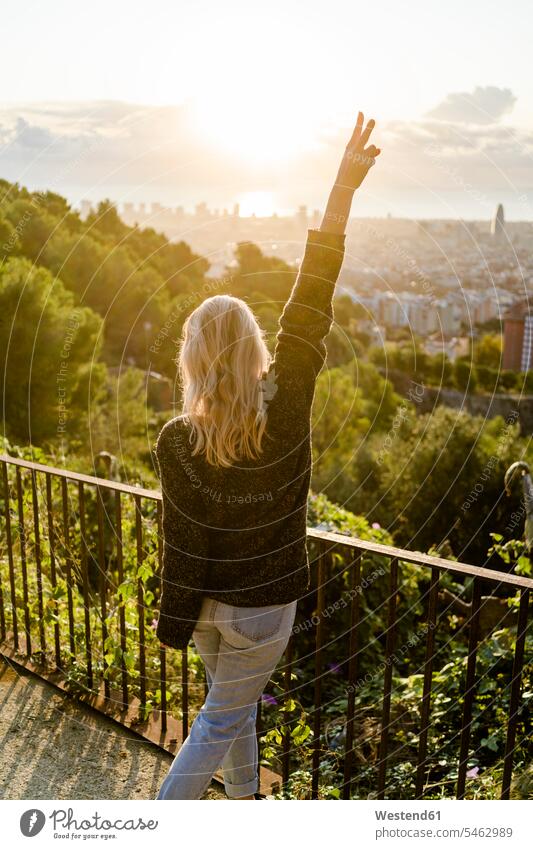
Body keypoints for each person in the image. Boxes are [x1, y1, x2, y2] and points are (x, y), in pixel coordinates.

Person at [153, 113, 380, 800]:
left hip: (208, 610)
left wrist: (177, 616)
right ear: (254, 348)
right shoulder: (284, 407)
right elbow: (311, 299)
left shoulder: (176, 439)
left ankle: (248, 804)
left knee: (232, 712)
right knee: (218, 719)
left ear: (192, 357)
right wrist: (340, 191)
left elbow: (182, 544)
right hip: (263, 609)